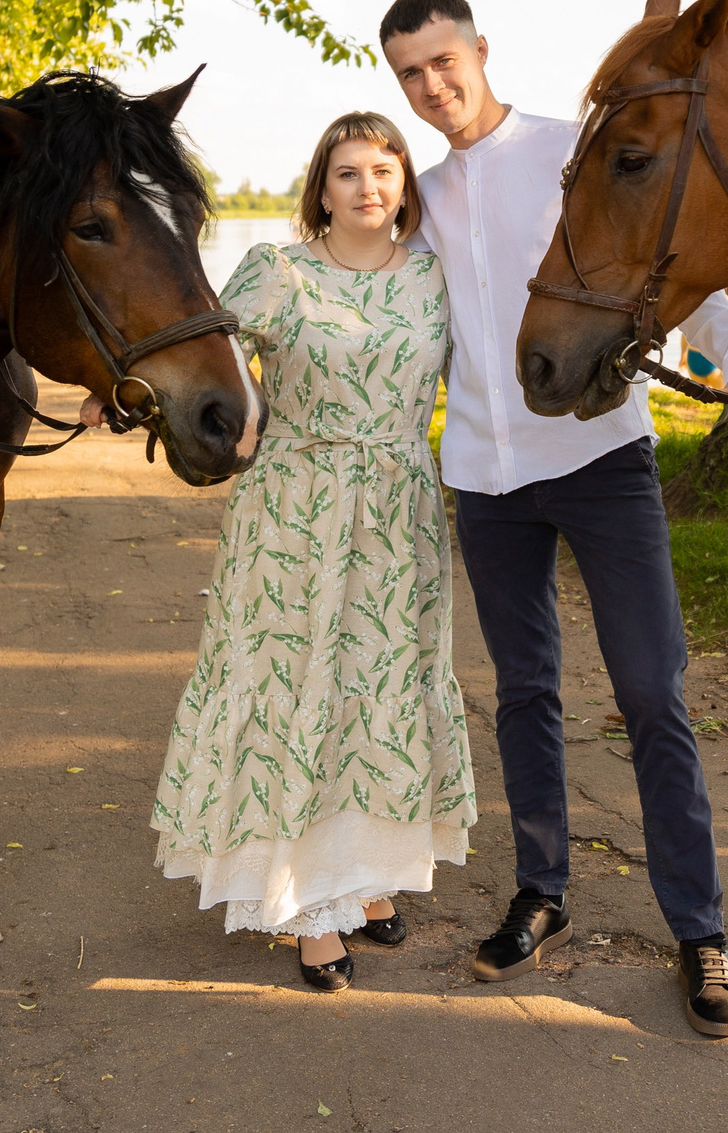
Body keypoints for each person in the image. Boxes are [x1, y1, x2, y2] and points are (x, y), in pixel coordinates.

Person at [381, 0, 728, 1039]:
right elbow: (368, 316)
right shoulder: (422, 202)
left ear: (479, 50)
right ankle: (540, 891)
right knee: (525, 691)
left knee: (653, 690)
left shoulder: (585, 151)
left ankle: (699, 930)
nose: (431, 86)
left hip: (602, 461)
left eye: (442, 61)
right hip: (483, 475)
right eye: (409, 73)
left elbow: (687, 278)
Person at [150, 112, 476, 992]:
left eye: (384, 168)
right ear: (319, 189)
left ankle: (367, 877)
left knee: (379, 692)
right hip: (295, 511)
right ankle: (305, 907)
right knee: (297, 692)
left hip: (400, 515)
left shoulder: (434, 280)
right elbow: (192, 354)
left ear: (406, 182)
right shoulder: (277, 272)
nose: (369, 186)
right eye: (347, 172)